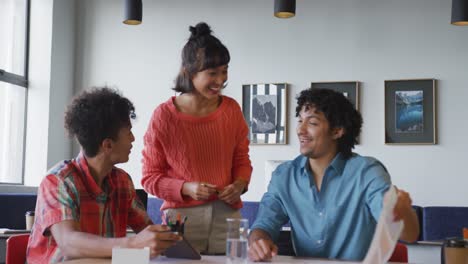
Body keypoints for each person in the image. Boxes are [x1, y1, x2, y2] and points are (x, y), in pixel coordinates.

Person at [248, 88, 420, 261]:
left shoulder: (367, 172)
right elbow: (264, 224)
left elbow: (408, 234)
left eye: (312, 123)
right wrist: (259, 240)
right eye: (300, 120)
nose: (301, 129)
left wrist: (402, 211)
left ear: (337, 130)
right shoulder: (284, 175)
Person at [27, 88, 181, 263]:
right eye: (128, 132)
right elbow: (69, 244)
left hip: (108, 259)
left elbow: (146, 230)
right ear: (108, 145)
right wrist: (132, 244)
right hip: (64, 260)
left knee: (151, 259)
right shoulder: (58, 181)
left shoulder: (122, 181)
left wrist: (165, 238)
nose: (133, 139)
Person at [141, 22, 252, 254]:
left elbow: (242, 159)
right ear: (189, 73)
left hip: (228, 215)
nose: (221, 80)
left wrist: (239, 185)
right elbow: (150, 177)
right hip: (182, 218)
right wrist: (185, 188)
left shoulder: (231, 109)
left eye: (224, 70)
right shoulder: (164, 116)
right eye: (212, 73)